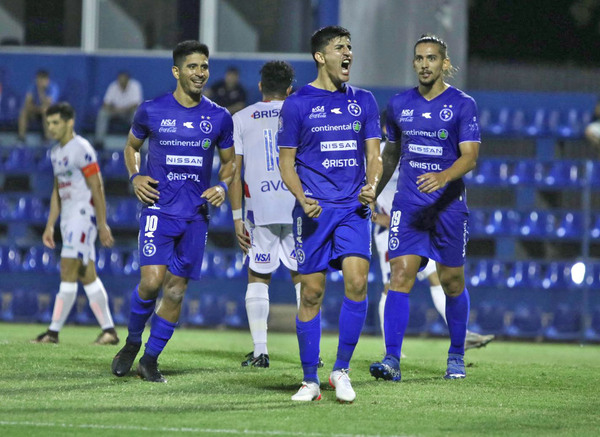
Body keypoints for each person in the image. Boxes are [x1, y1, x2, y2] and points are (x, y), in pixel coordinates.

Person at [111, 40, 235, 383]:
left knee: (176, 290)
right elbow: (131, 147)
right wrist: (135, 175)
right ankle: (132, 343)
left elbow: (229, 165)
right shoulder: (151, 110)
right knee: (151, 282)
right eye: (193, 66)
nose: (200, 73)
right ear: (177, 71)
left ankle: (150, 359)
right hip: (158, 210)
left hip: (195, 216)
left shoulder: (219, 117)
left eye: (205, 66)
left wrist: (222, 186)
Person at [278, 26, 382, 403]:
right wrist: (301, 196)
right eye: (340, 48)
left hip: (353, 209)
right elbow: (285, 162)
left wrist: (372, 184)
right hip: (314, 210)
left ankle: (341, 371)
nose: (348, 53)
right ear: (321, 57)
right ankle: (309, 379)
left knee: (357, 282)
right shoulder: (297, 103)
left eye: (350, 47)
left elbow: (375, 155)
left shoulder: (365, 101)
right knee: (312, 292)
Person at [369, 34, 481, 383]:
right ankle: (391, 360)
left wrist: (444, 176)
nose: (424, 64)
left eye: (431, 58)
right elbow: (390, 155)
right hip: (409, 204)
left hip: (448, 207)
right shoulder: (400, 104)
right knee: (400, 278)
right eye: (418, 58)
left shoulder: (463, 104)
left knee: (451, 281)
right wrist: (373, 190)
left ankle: (456, 355)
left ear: (444, 63)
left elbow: (471, 156)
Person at [373, 111, 494, 351]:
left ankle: (460, 333)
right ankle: (390, 347)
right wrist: (377, 218)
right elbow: (364, 190)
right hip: (389, 230)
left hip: (417, 224)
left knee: (435, 277)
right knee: (392, 283)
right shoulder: (381, 155)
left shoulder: (412, 151)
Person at [230, 61, 300, 368]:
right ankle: (312, 352)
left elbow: (234, 172)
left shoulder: (241, 118)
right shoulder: (302, 112)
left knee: (258, 276)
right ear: (289, 90)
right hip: (299, 206)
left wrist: (236, 217)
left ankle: (260, 351)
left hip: (261, 208)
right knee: (304, 277)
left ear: (260, 87)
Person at [31, 102, 118, 345]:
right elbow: (58, 190)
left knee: (67, 268)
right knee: (86, 274)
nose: (51, 128)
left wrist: (102, 223)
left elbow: (96, 186)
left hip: (83, 215)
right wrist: (50, 224)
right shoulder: (55, 152)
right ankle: (109, 331)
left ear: (70, 122)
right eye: (48, 123)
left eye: (56, 122)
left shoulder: (81, 148)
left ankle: (53, 332)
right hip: (67, 219)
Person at [94, 71, 143, 149]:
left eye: (124, 80)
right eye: (120, 80)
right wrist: (114, 110)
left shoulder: (135, 86)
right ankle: (99, 141)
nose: (122, 82)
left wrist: (123, 110)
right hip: (115, 111)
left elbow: (136, 104)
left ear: (128, 80)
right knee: (102, 113)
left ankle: (138, 143)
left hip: (128, 112)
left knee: (137, 114)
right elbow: (106, 104)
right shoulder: (113, 86)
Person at [18, 69, 60, 142]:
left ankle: (47, 138)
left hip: (51, 112)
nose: (39, 82)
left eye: (42, 80)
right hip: (37, 110)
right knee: (24, 111)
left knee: (46, 111)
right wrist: (37, 109)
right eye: (38, 79)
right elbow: (27, 103)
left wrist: (41, 91)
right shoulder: (32, 86)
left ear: (47, 80)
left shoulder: (53, 88)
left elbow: (48, 104)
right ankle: (21, 137)